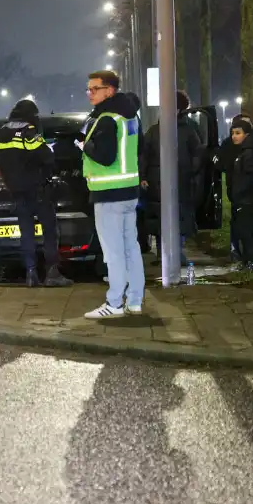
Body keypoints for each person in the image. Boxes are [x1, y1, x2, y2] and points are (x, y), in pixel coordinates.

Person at [79, 70, 144, 318]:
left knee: (113, 252)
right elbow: (140, 149)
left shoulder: (107, 119)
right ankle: (135, 300)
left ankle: (114, 303)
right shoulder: (131, 117)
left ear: (110, 90)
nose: (90, 94)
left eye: (95, 89)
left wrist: (85, 146)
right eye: (88, 89)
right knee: (131, 248)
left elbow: (105, 157)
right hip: (129, 191)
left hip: (108, 193)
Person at [0, 99, 72, 287]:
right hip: (37, 189)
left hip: (16, 190)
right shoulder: (28, 131)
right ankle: (52, 273)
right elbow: (46, 156)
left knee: (26, 232)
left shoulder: (2, 133)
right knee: (49, 230)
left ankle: (31, 273)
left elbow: (0, 163)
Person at [138, 90, 203, 265]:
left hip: (180, 182)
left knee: (178, 218)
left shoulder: (188, 131)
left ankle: (176, 253)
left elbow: (198, 154)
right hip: (157, 184)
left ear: (178, 109)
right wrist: (143, 176)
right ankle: (163, 255)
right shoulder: (154, 131)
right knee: (161, 220)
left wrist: (190, 172)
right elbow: (144, 156)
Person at [227, 118, 253, 272]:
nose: (234, 136)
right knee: (243, 231)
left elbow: (251, 176)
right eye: (233, 133)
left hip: (247, 199)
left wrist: (239, 192)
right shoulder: (244, 151)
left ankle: (251, 261)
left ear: (246, 134)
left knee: (246, 231)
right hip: (245, 198)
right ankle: (247, 261)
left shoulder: (249, 152)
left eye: (238, 133)